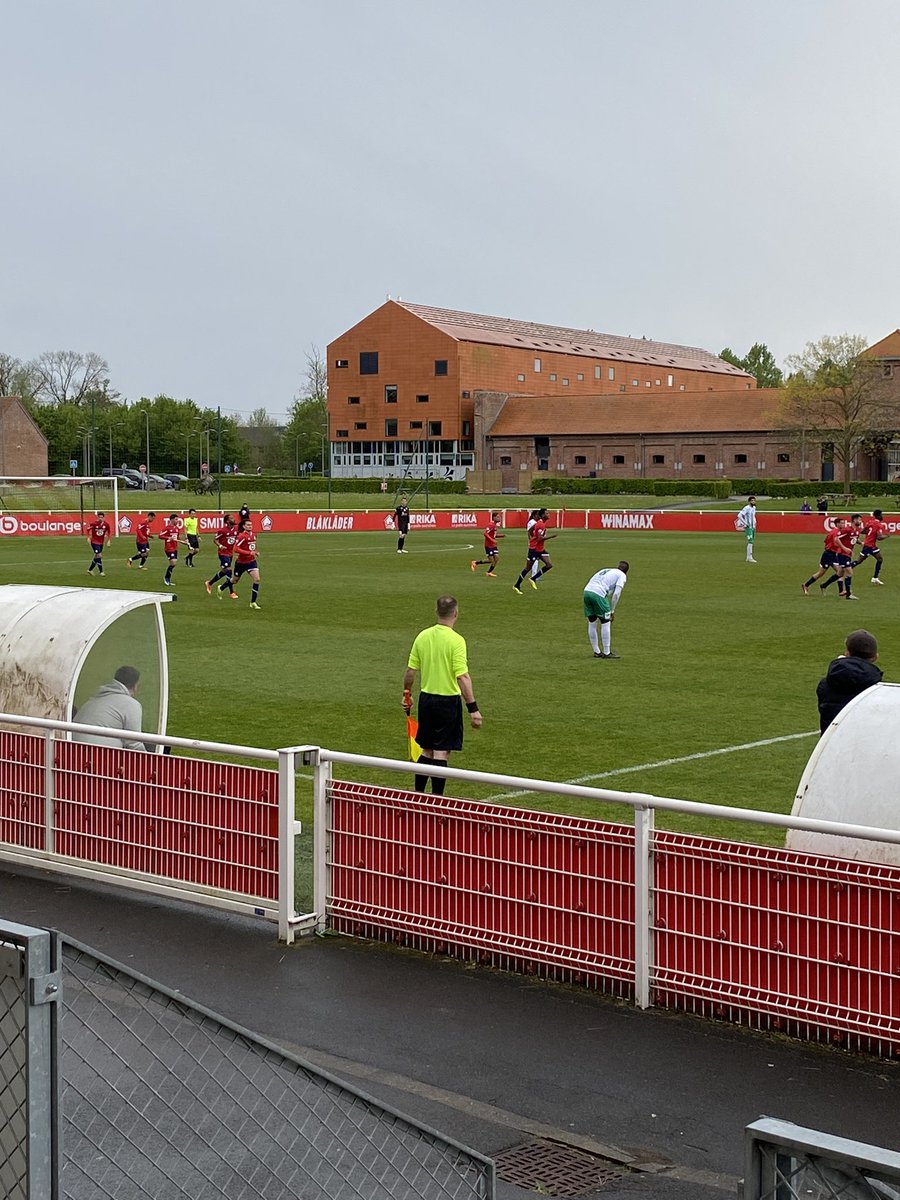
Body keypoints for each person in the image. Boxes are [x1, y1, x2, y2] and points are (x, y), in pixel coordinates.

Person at [403, 595, 481, 794]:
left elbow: (411, 671)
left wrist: (407, 694)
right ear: (456, 613)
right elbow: (462, 677)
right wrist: (473, 709)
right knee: (441, 751)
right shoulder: (456, 641)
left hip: (426, 700)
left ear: (436, 612)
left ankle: (418, 794)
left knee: (427, 749)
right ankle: (437, 801)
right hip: (447, 702)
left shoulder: (423, 636)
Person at [816, 630, 882, 735]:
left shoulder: (825, 684)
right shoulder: (877, 689)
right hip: (861, 745)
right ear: (875, 657)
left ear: (847, 653)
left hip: (829, 747)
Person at [73, 666, 145, 750]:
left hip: (72, 751)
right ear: (135, 686)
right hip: (98, 755)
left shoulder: (94, 699)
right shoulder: (132, 705)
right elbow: (134, 743)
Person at [583, 562, 629, 659]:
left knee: (592, 622)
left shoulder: (607, 570)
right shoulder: (622, 575)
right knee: (605, 622)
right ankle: (607, 652)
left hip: (587, 591)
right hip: (598, 594)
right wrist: (612, 610)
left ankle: (596, 651)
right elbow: (616, 594)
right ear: (626, 572)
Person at [513, 507, 556, 593]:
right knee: (527, 568)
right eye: (547, 513)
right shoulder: (540, 524)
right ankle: (516, 585)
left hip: (540, 549)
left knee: (549, 565)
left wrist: (532, 538)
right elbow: (540, 538)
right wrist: (551, 537)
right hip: (534, 549)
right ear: (543, 515)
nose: (549, 515)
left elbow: (530, 530)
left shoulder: (539, 523)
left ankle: (533, 578)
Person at [819, 514, 861, 599]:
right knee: (849, 572)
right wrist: (844, 548)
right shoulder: (847, 529)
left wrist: (862, 543)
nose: (860, 522)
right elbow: (836, 539)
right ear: (854, 520)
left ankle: (824, 585)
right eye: (859, 520)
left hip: (848, 554)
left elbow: (854, 539)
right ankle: (848, 594)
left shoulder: (857, 530)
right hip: (842, 554)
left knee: (840, 573)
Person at [802, 518, 846, 594]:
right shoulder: (836, 532)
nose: (843, 525)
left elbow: (825, 541)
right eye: (842, 523)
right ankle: (806, 585)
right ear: (837, 524)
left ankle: (840, 590)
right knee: (821, 573)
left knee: (840, 572)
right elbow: (835, 543)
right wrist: (842, 547)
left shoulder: (833, 532)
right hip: (828, 555)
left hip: (832, 554)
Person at [852, 509, 889, 585]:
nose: (883, 516)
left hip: (869, 544)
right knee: (860, 561)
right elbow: (879, 537)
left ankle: (875, 578)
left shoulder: (870, 522)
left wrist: (870, 534)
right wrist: (886, 536)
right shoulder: (879, 525)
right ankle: (845, 568)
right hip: (869, 546)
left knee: (878, 559)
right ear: (878, 516)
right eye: (882, 514)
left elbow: (863, 531)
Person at [206, 514, 239, 599]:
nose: (234, 519)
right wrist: (220, 546)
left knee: (224, 571)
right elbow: (215, 539)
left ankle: (209, 583)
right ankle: (231, 592)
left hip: (230, 553)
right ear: (227, 521)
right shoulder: (222, 531)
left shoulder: (236, 529)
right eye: (231, 518)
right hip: (223, 553)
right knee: (229, 570)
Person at [232, 517, 262, 609]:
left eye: (251, 525)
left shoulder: (254, 535)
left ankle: (253, 602)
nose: (250, 526)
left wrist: (255, 552)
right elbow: (235, 549)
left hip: (251, 561)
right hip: (241, 562)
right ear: (244, 526)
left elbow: (250, 547)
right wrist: (249, 552)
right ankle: (222, 587)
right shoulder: (241, 536)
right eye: (248, 525)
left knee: (257, 579)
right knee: (234, 581)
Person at [471, 510, 504, 576]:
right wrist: (492, 540)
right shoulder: (491, 525)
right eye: (497, 517)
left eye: (499, 517)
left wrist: (500, 536)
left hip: (493, 545)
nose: (499, 518)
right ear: (494, 518)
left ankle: (489, 572)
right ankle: (475, 562)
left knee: (496, 558)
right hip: (488, 545)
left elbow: (493, 535)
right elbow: (485, 533)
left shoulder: (494, 525)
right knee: (491, 560)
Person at [159, 514, 187, 587]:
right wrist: (168, 538)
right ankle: (166, 578)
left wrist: (183, 542)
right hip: (169, 548)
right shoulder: (167, 528)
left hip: (175, 548)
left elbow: (177, 538)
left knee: (173, 564)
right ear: (171, 520)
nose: (177, 521)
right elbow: (160, 536)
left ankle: (168, 578)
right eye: (176, 519)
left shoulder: (177, 528)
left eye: (178, 519)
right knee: (173, 563)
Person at [86, 511, 112, 577]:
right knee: (99, 555)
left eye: (102, 517)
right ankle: (101, 572)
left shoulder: (106, 525)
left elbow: (109, 532)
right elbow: (87, 530)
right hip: (94, 542)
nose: (100, 518)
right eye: (99, 517)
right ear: (97, 517)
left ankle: (90, 570)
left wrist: (109, 540)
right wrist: (88, 537)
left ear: (103, 518)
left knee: (97, 556)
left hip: (101, 543)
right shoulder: (94, 524)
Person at [735, 496, 757, 562]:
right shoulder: (746, 508)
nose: (753, 502)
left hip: (753, 527)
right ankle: (749, 557)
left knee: (752, 541)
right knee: (750, 541)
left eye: (754, 500)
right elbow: (739, 515)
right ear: (749, 501)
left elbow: (753, 516)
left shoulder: (754, 508)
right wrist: (745, 523)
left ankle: (748, 557)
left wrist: (755, 523)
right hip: (748, 527)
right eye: (752, 500)